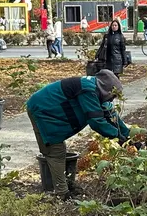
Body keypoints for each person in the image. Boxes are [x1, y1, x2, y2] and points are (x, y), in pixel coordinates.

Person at [26, 70, 130, 199]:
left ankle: (66, 184)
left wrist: (128, 137)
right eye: (113, 96)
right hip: (42, 108)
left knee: (57, 150)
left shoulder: (98, 90)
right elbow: (96, 122)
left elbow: (112, 116)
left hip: (52, 109)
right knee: (55, 150)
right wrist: (117, 137)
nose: (113, 99)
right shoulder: (88, 90)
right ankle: (62, 193)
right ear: (106, 89)